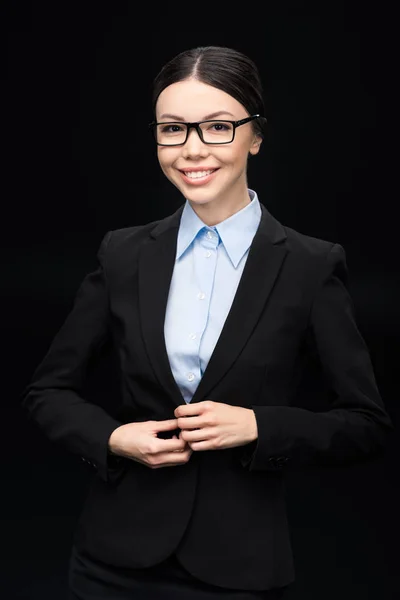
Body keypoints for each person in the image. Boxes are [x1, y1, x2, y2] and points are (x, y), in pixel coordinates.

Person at [20, 45, 393, 600]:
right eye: (173, 129)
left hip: (239, 570)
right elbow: (47, 391)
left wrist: (260, 427)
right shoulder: (123, 254)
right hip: (111, 562)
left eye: (218, 126)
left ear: (256, 136)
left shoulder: (312, 266)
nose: (192, 149)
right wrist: (113, 437)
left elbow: (366, 423)